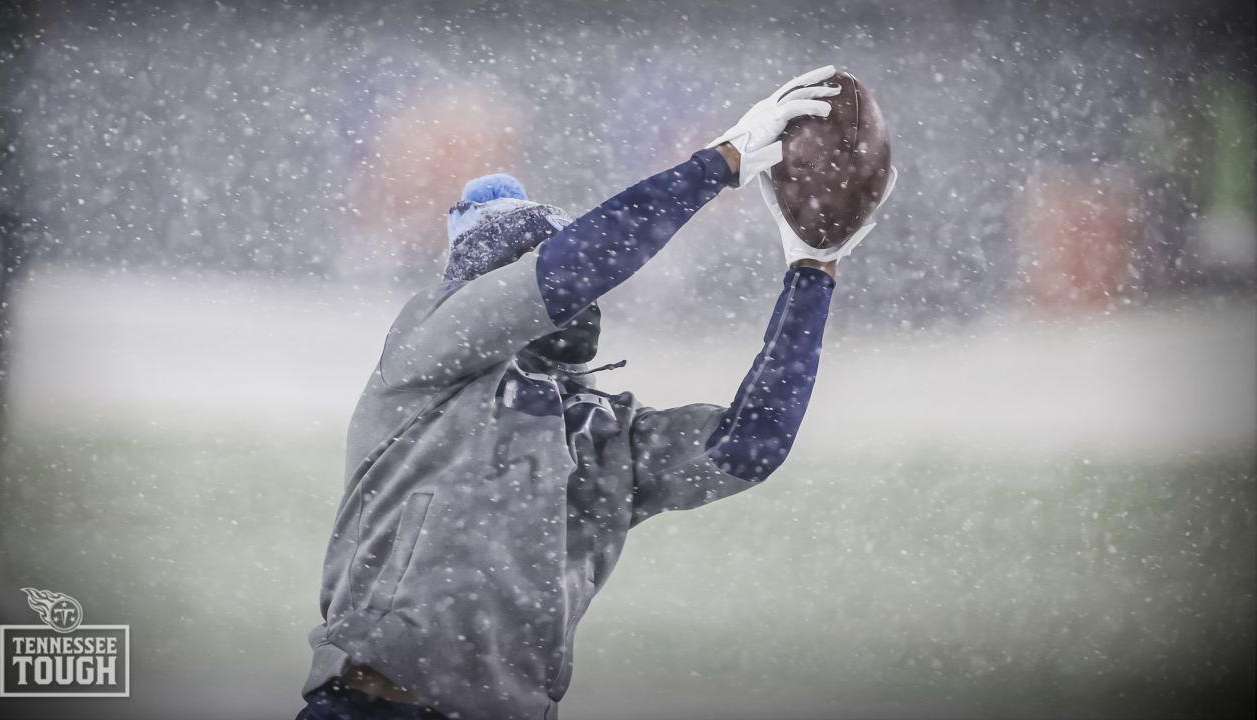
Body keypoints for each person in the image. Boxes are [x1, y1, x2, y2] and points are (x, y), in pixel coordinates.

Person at [298, 65, 895, 720]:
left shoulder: (599, 434)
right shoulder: (426, 355)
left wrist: (813, 269)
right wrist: (722, 163)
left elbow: (748, 447)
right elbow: (575, 269)